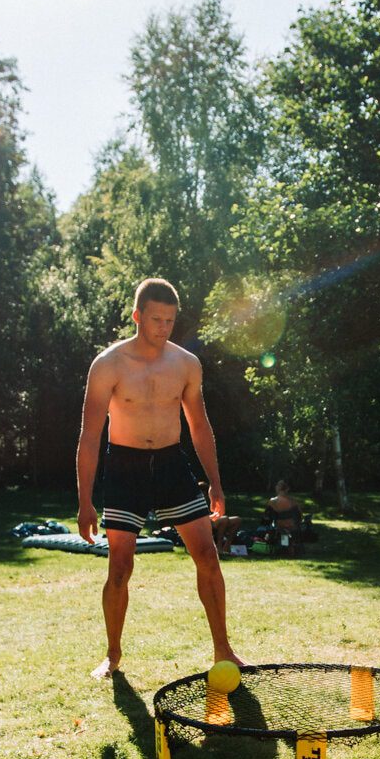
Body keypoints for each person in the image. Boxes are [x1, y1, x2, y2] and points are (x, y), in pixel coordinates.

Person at [76, 277, 241, 679]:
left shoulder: (186, 364)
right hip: (124, 468)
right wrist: (84, 501)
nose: (163, 327)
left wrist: (215, 482)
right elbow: (90, 435)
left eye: (170, 320)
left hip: (171, 463)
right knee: (120, 568)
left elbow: (200, 426)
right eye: (155, 319)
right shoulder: (108, 365)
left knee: (207, 554)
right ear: (137, 316)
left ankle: (224, 649)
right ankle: (113, 655)